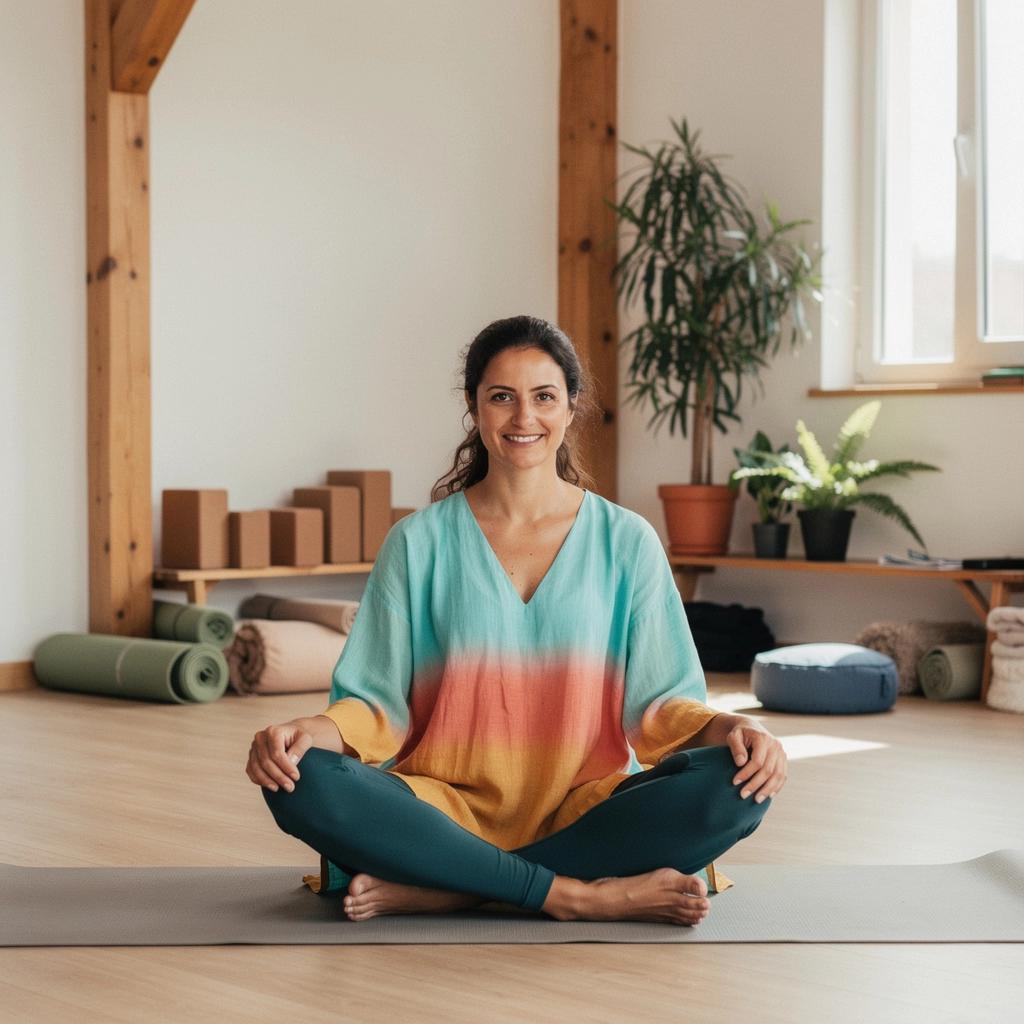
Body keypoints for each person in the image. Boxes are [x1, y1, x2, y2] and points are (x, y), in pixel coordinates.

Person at [247, 315, 787, 926]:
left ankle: (456, 887)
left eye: (543, 397)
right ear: (475, 410)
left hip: (589, 805)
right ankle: (574, 894)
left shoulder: (627, 540)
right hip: (441, 808)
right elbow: (375, 707)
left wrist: (735, 731)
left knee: (735, 782)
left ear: (571, 408)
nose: (522, 417)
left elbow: (662, 707)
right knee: (301, 781)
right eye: (501, 397)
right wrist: (302, 734)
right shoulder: (417, 542)